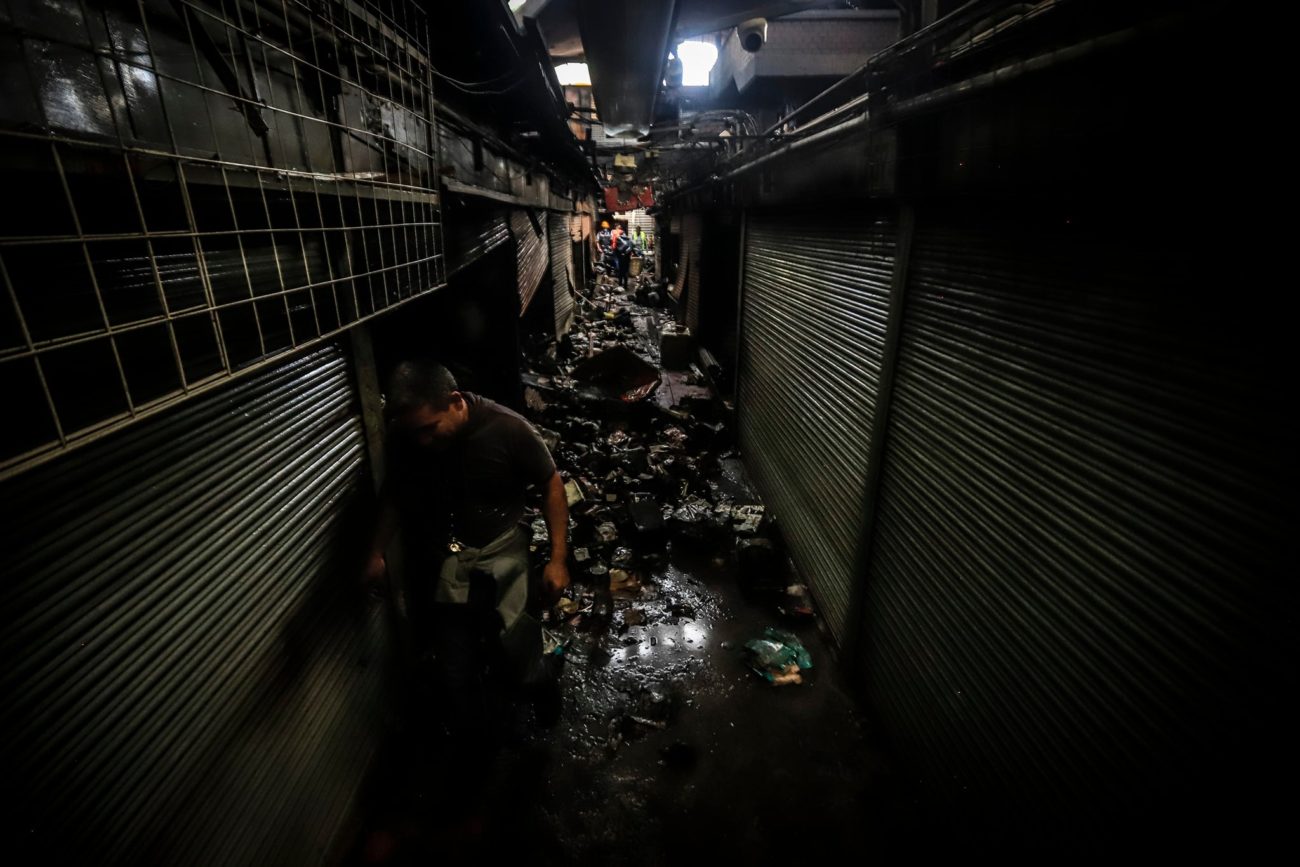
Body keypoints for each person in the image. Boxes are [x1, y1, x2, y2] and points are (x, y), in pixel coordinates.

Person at [364, 360, 570, 740]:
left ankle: (541, 689)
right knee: (454, 659)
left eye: (430, 429)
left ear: (455, 401)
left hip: (502, 547)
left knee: (516, 646)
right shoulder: (408, 439)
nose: (424, 441)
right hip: (449, 555)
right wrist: (376, 551)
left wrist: (558, 560)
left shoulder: (507, 428)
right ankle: (475, 735)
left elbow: (551, 485)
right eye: (416, 434)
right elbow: (395, 496)